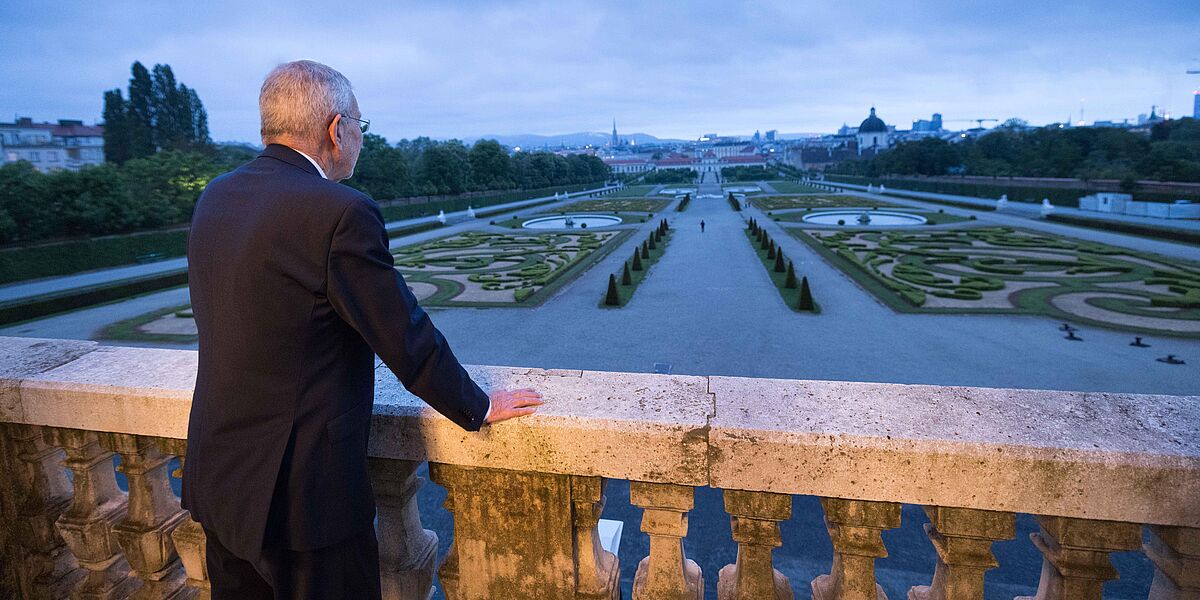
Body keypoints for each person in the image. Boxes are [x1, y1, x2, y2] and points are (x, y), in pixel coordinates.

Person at [182, 60, 543, 600]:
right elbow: (404, 336)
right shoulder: (339, 211)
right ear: (336, 128)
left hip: (221, 480)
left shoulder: (217, 196)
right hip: (306, 502)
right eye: (360, 126)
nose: (359, 139)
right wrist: (480, 405)